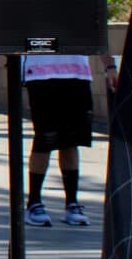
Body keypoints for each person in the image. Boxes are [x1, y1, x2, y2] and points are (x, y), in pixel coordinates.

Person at [21, 51, 100, 227]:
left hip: (77, 74)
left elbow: (95, 29)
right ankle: (34, 203)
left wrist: (110, 67)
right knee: (44, 140)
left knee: (72, 142)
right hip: (41, 74)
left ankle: (72, 204)